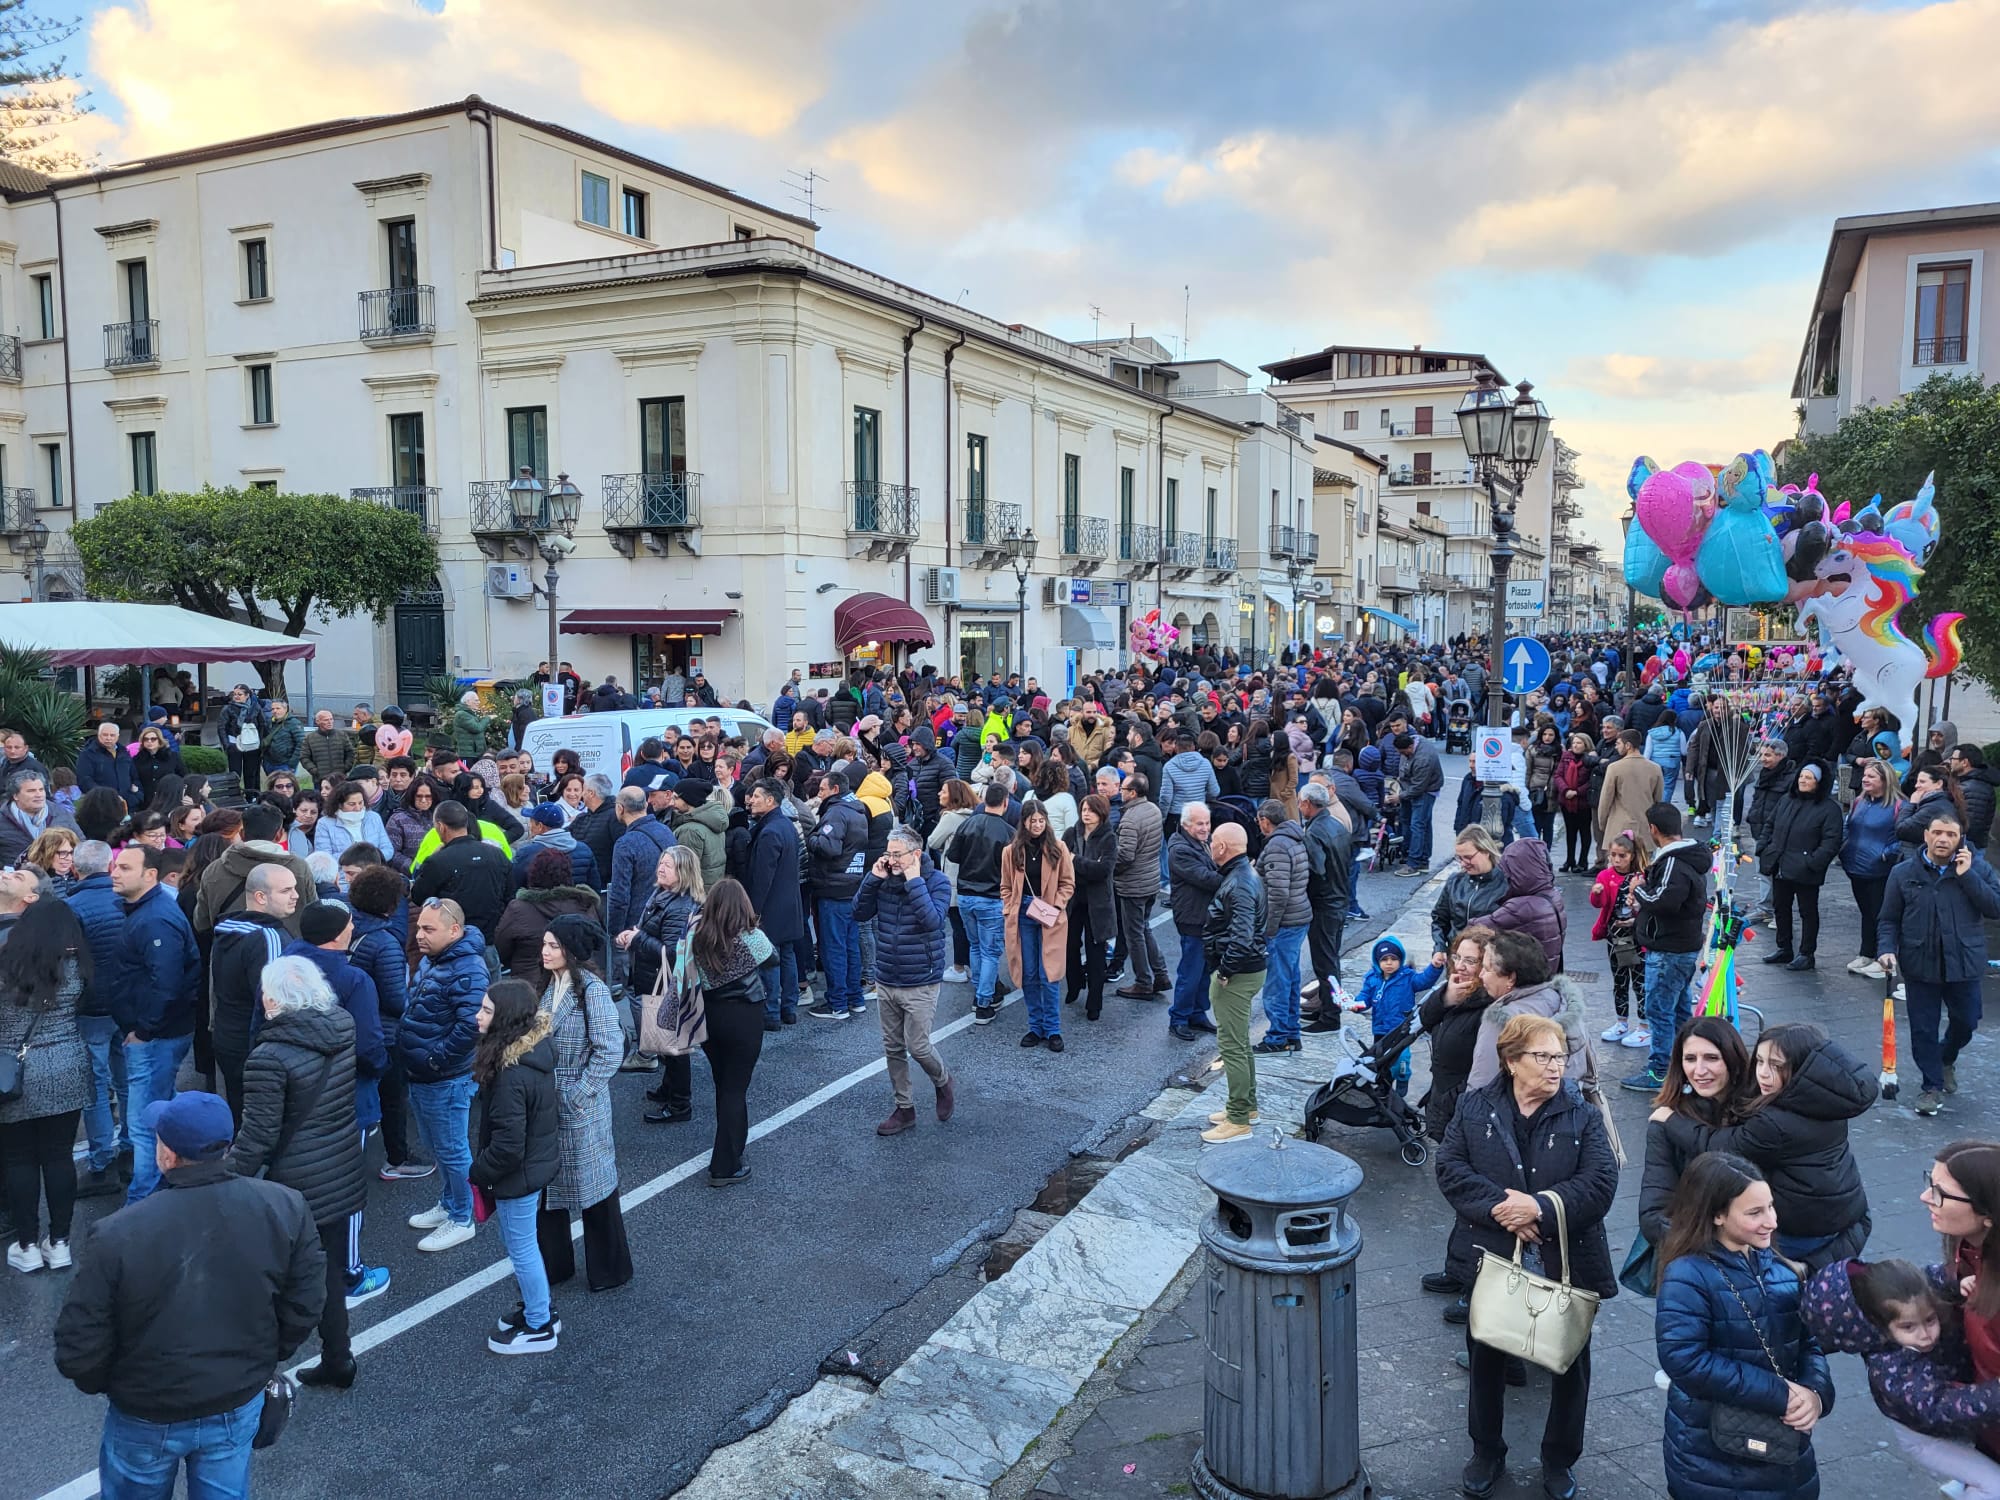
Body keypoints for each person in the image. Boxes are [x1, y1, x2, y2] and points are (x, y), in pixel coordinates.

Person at [54, 1089, 325, 1496]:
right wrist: (262, 1358)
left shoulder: (118, 1233)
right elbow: (305, 1303)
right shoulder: (284, 1207)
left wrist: (115, 1386)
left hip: (144, 1411)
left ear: (167, 1155)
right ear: (226, 1146)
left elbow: (78, 1344)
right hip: (235, 1399)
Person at [1436, 1012, 1619, 1500]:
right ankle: (1486, 1451)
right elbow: (1451, 1168)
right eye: (1543, 1056)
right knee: (1487, 1355)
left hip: (1568, 1258)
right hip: (1491, 1255)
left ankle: (1559, 1459)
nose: (1556, 1066)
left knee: (1569, 1361)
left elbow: (1601, 1183)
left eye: (1560, 1056)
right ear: (1512, 1061)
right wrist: (1505, 1208)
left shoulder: (1580, 1111)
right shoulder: (1475, 1106)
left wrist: (1539, 1206)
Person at [1654, 1151, 1834, 1500]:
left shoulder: (1784, 1271)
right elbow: (1684, 1360)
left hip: (1781, 1448)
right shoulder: (1687, 1275)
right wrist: (1781, 1394)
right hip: (1712, 1457)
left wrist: (1815, 1394)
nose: (1771, 1221)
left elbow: (1810, 1344)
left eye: (1770, 1207)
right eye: (1755, 1212)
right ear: (1717, 1215)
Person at [225, 955, 368, 1389]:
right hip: (341, 1166)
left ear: (270, 999)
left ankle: (260, 1370)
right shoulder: (342, 1025)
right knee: (330, 1273)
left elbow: (259, 1135)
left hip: (293, 1182)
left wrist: (225, 1178)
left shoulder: (268, 1057)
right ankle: (338, 1357)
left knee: (271, 1278)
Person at [1654, 1022, 1875, 1272]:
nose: (1763, 1073)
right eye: (1759, 1061)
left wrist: (1670, 1120)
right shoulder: (1826, 1102)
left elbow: (1720, 1148)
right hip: (1841, 1213)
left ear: (1800, 1067)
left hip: (1796, 1230)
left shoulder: (1775, 1122)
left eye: (1776, 1065)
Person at [1804, 1255, 2000, 1497]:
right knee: (1994, 1485)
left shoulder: (1910, 1300)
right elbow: (1938, 1405)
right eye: (1909, 1327)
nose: (1926, 1335)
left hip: (1946, 1417)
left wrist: (1958, 1282)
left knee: (1977, 1468)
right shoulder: (1892, 1368)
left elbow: (1931, 1279)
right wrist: (1995, 1392)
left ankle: (1958, 1487)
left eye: (1930, 1320)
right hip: (1926, 1438)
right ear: (1877, 1326)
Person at [1880, 806, 2000, 1115]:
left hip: (1965, 962)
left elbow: (1995, 907)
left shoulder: (1979, 869)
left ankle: (1946, 1057)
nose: (1943, 840)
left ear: (1960, 839)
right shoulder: (1903, 873)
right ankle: (1930, 1087)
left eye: (1950, 834)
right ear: (1926, 836)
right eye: (1937, 833)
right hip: (1921, 963)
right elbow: (1889, 918)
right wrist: (1885, 949)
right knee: (1923, 1028)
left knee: (1967, 1021)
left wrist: (1968, 876)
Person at [534, 915, 631, 1293]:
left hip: (578, 1108)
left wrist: (578, 1094)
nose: (545, 951)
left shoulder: (591, 990)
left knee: (596, 1190)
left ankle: (610, 1269)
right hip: (549, 1104)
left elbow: (610, 1051)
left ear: (571, 950)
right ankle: (554, 1265)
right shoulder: (553, 983)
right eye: (544, 944)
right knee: (549, 1189)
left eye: (554, 945)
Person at [467, 978, 562, 1354]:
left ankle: (540, 1324)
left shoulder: (510, 1073)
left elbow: (507, 1146)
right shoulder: (531, 1054)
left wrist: (478, 1171)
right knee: (524, 1245)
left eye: (487, 1010)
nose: (478, 1016)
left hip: (517, 1177)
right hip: (532, 1170)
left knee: (521, 1248)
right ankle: (538, 1311)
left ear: (505, 1018)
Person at [0, 898, 91, 1272]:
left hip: (13, 1068)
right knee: (59, 1156)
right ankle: (60, 1242)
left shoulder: (7, 968)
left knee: (19, 1158)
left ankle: (26, 1244)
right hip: (67, 1062)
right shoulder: (77, 969)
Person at [112, 845, 203, 1204]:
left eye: (124, 867)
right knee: (158, 1103)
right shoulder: (147, 911)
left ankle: (143, 1200)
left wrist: (143, 1030)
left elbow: (166, 981)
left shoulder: (155, 919)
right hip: (157, 1031)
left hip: (155, 1036)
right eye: (114, 866)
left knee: (144, 1121)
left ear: (150, 875)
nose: (114, 873)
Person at [1637, 1018, 1757, 1286]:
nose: (1699, 1070)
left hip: (1757, 1260)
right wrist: (1707, 1248)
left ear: (1732, 1058)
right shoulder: (1665, 1120)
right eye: (1690, 1058)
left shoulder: (1758, 1116)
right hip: (1694, 1269)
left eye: (1711, 1058)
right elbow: (1653, 1213)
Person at [400, 897, 488, 1252]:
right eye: (420, 926)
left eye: (428, 929)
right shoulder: (437, 959)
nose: (419, 935)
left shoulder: (467, 968)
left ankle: (463, 1217)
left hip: (445, 1077)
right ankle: (451, 1203)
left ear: (454, 930)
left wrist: (436, 1060)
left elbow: (471, 1026)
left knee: (452, 1149)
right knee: (438, 1145)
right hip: (424, 1074)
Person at [855, 826, 956, 1132]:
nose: (891, 859)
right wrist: (873, 879)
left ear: (915, 854)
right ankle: (904, 1108)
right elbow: (858, 913)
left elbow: (932, 921)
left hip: (920, 979)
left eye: (896, 854)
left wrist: (914, 881)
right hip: (887, 976)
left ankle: (942, 1080)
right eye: (888, 853)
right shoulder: (885, 879)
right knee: (893, 1047)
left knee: (919, 1046)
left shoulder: (937, 882)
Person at [1416, 925, 1499, 1300]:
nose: (1462, 967)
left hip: (1467, 1112)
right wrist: (1446, 995)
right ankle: (1459, 1268)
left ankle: (1476, 1288)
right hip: (1447, 1104)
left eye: (1472, 961)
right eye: (1458, 958)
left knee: (1475, 1198)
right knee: (1461, 1199)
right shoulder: (1458, 993)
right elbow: (1424, 1018)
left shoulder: (1490, 1007)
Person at [686, 879, 776, 1187]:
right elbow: (773, 959)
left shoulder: (697, 938)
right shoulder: (751, 938)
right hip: (744, 1017)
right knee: (736, 1088)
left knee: (723, 1084)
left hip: (709, 1017)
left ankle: (732, 1149)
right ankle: (724, 1164)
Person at [1922, 1141, 2000, 1462]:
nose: (1925, 1197)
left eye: (1939, 1192)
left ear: (1988, 1214)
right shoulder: (1968, 1247)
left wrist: (1943, 1401)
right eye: (1929, 1184)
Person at [1624, 803, 1708, 1094]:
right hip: (1680, 947)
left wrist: (1638, 889)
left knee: (1658, 1009)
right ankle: (1684, 1066)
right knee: (1679, 1008)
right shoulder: (1681, 858)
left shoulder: (1673, 862)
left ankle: (1660, 1072)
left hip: (1669, 950)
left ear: (1654, 830)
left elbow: (1664, 900)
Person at [1201, 821, 1265, 1144]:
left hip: (1237, 974)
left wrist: (1224, 972)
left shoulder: (1238, 882)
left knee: (1232, 1045)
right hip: (1246, 969)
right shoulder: (1243, 875)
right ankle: (1246, 1106)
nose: (1210, 846)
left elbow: (1241, 937)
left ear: (1223, 847)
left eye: (1213, 841)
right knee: (1239, 1041)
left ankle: (1239, 1118)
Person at [1001, 799, 1075, 1052]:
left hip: (1050, 913)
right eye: (1033, 821)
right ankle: (1035, 1026)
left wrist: (1057, 905)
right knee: (1029, 973)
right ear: (1024, 822)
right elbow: (1006, 886)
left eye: (1041, 820)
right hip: (1022, 912)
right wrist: (1008, 907)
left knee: (1049, 974)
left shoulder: (1059, 847)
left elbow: (1067, 883)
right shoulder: (1011, 851)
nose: (1038, 825)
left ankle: (1053, 1029)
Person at [1758, 761, 1842, 972]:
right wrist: (1764, 847)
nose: (1803, 780)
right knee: (1781, 908)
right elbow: (1770, 823)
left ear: (1819, 782)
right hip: (1780, 864)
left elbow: (1831, 841)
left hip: (1805, 869)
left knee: (1807, 911)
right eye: (1802, 776)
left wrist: (1812, 862)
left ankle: (1806, 953)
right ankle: (1783, 947)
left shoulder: (1829, 809)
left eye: (1809, 777)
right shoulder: (1787, 799)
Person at [948, 781, 1015, 1024]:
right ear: (1005, 803)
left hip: (966, 894)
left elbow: (953, 855)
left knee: (975, 946)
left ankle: (981, 993)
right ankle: (983, 1001)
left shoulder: (968, 824)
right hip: (991, 897)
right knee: (990, 952)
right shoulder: (1009, 833)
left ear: (985, 800)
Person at [1250, 796, 1310, 1056]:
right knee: (1291, 977)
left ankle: (1277, 1036)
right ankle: (1291, 1033)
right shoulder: (1295, 837)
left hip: (1284, 923)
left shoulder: (1277, 846)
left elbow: (1278, 893)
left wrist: (1268, 929)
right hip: (1298, 918)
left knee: (1278, 982)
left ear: (1265, 821)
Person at [805, 771, 868, 1021]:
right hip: (852, 885)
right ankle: (855, 998)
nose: (819, 794)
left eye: (822, 789)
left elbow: (830, 847)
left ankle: (837, 1003)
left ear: (834, 790)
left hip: (833, 887)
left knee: (833, 948)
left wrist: (812, 838)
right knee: (851, 946)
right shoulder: (858, 810)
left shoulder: (836, 812)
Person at [493, 847, 601, 984]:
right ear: (568, 873)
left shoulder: (518, 908)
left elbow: (501, 948)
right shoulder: (584, 904)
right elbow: (594, 943)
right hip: (576, 980)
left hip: (529, 985)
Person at [1353, 936, 1442, 1098]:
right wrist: (1356, 1005)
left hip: (1401, 1028)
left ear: (1400, 960)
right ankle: (1382, 1085)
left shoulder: (1408, 977)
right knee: (1381, 1060)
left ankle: (1402, 1077)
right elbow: (1364, 998)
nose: (1389, 963)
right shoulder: (1372, 979)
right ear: (1377, 961)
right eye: (1384, 959)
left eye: (1393, 959)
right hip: (1380, 1028)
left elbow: (1424, 981)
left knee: (1401, 1059)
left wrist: (1434, 967)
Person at [1839, 758, 1903, 980]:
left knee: (1880, 914)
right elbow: (1848, 826)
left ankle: (1883, 958)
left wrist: (1885, 854)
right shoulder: (1859, 802)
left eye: (1871, 776)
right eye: (1865, 776)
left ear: (1885, 780)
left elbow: (1903, 838)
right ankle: (1866, 953)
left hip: (1880, 869)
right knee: (1866, 913)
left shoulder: (1898, 806)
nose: (1865, 779)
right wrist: (1845, 848)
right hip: (1856, 867)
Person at [1161, 799, 1220, 1038]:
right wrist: (1235, 872)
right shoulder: (1181, 849)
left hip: (1204, 916)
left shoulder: (1199, 843)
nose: (1205, 828)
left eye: (1207, 823)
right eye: (1199, 824)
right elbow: (1207, 878)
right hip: (1192, 917)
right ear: (1186, 825)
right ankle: (1179, 1018)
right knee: (1191, 970)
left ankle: (1197, 1013)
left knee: (1204, 969)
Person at [1298, 782, 1353, 1033]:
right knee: (1329, 959)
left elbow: (1316, 869)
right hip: (1339, 899)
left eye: (1301, 802)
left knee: (1325, 962)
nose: (1300, 807)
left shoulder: (1315, 832)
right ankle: (1327, 1009)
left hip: (1325, 904)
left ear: (1308, 804)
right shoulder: (1336, 826)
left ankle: (1330, 1016)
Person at [1111, 772, 1167, 999]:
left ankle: (1143, 981)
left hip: (1133, 885)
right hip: (1150, 881)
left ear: (1133, 793)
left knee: (1134, 934)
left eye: (1123, 789)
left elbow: (1125, 856)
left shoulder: (1130, 819)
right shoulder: (1153, 810)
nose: (1120, 792)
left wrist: (1110, 870)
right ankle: (1160, 974)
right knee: (1145, 929)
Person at [1590, 834, 1647, 1047]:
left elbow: (1646, 906)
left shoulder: (1640, 877)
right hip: (1616, 937)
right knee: (1619, 980)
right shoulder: (1606, 876)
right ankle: (1621, 1022)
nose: (1617, 859)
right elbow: (1600, 903)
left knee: (1640, 981)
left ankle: (1644, 1025)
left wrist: (1635, 915)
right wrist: (1597, 893)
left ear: (1632, 856)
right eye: (1613, 855)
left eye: (1622, 855)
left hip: (1637, 937)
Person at [1485, 836, 1567, 976]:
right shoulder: (1552, 895)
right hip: (1547, 974)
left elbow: (1476, 927)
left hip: (1528, 981)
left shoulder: (1522, 907)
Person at [1429, 826, 1509, 962]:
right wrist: (1440, 948)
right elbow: (1439, 919)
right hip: (1456, 959)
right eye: (1459, 858)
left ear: (1486, 852)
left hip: (1489, 962)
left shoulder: (1506, 884)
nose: (1463, 863)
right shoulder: (1455, 881)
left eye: (1468, 857)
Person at [1597, 729, 1665, 855]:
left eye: (1618, 744)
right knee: (1642, 869)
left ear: (1628, 745)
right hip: (1644, 826)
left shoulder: (1614, 768)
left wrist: (1602, 823)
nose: (1616, 747)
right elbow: (1658, 799)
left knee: (1618, 867)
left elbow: (1606, 799)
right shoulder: (1655, 768)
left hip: (1619, 826)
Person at [0, 767, 78, 867]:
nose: (39, 795)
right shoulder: (2, 819)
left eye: (41, 790)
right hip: (16, 877)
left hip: (58, 877)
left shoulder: (61, 813)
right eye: (31, 791)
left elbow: (80, 844)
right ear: (15, 796)